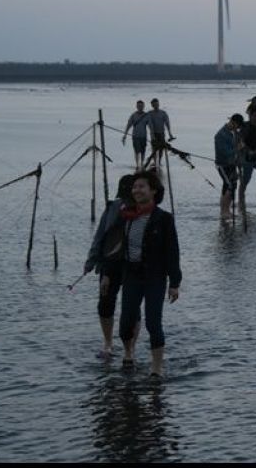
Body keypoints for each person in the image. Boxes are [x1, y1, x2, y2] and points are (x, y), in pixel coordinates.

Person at [115, 171, 181, 378]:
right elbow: (115, 249)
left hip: (155, 276)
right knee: (126, 322)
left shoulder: (164, 219)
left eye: (142, 186)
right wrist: (108, 275)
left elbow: (172, 251)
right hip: (131, 275)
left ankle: (156, 367)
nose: (137, 190)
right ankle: (129, 353)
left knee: (153, 322)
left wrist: (175, 282)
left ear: (153, 191)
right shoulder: (126, 216)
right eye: (134, 187)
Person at [84, 173, 136, 359]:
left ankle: (130, 348)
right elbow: (101, 235)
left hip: (133, 263)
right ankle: (108, 342)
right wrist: (92, 261)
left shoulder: (144, 209)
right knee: (106, 304)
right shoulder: (113, 208)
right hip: (111, 263)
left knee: (132, 307)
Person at [215, 113, 244, 221]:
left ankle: (227, 210)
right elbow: (226, 152)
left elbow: (234, 151)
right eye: (237, 126)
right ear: (233, 122)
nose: (237, 129)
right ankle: (223, 212)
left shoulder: (232, 133)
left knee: (233, 186)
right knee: (229, 186)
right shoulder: (220, 135)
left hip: (232, 164)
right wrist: (238, 148)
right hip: (222, 165)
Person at [146, 98, 175, 168]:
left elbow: (167, 123)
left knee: (161, 149)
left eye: (157, 104)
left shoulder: (163, 113)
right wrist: (152, 135)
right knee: (154, 148)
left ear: (158, 104)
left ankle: (159, 161)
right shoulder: (150, 113)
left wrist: (170, 133)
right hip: (154, 133)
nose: (156, 105)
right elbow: (150, 124)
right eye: (154, 104)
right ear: (152, 105)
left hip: (161, 133)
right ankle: (155, 162)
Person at [121, 101, 149, 171]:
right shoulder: (133, 115)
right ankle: (137, 164)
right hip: (135, 136)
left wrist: (153, 136)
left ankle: (142, 163)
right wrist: (125, 135)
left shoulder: (146, 115)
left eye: (141, 106)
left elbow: (151, 126)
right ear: (137, 106)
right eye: (139, 106)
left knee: (143, 151)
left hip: (143, 136)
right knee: (137, 151)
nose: (140, 107)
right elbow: (128, 125)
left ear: (143, 106)